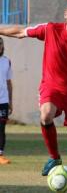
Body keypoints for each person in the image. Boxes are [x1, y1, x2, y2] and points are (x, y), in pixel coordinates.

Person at [0, 1, 67, 192]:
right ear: (66, 14)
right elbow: (21, 32)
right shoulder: (50, 29)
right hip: (51, 87)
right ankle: (54, 157)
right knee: (46, 114)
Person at [0, 37, 13, 165]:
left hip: (3, 101)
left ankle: (0, 154)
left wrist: (10, 101)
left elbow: (9, 83)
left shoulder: (6, 62)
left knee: (1, 128)